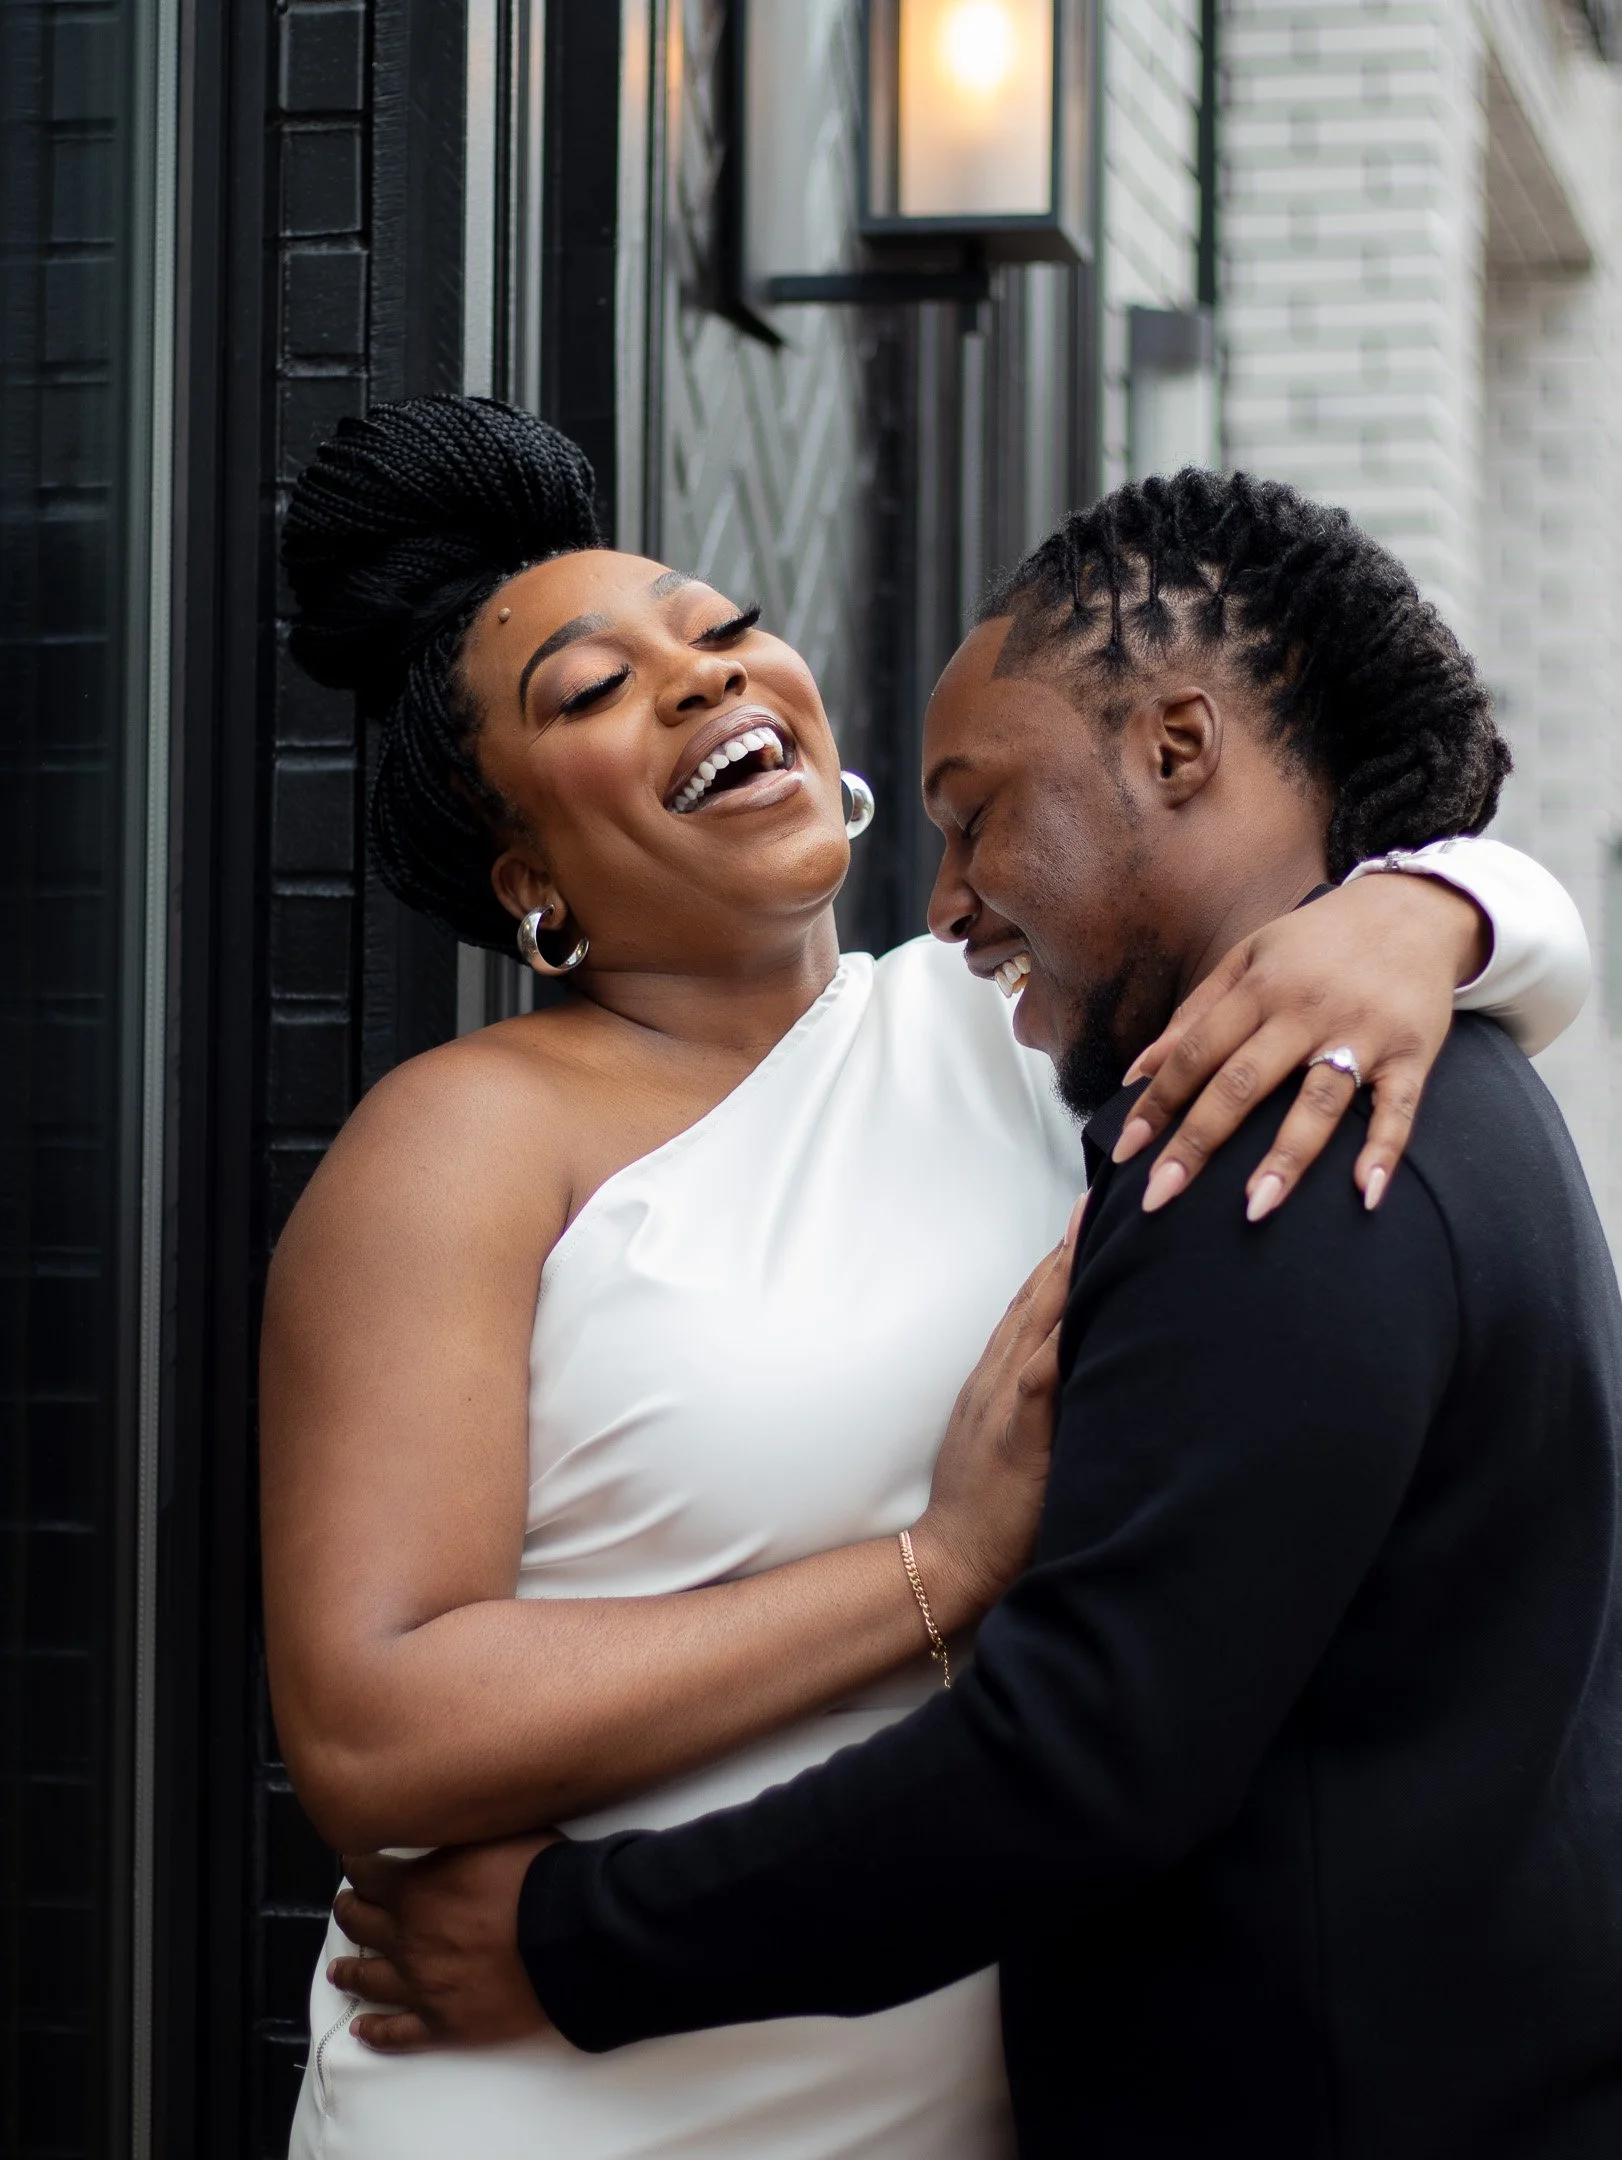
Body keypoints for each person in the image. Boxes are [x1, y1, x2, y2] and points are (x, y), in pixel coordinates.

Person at [267, 407, 1590, 2160]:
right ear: (528, 881)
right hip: (562, 2072)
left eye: (725, 631)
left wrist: (1432, 910)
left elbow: (1389, 892)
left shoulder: (1027, 1024)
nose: (699, 677)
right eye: (591, 690)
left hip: (952, 2099)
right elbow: (375, 1733)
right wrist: (933, 1572)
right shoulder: (460, 1142)